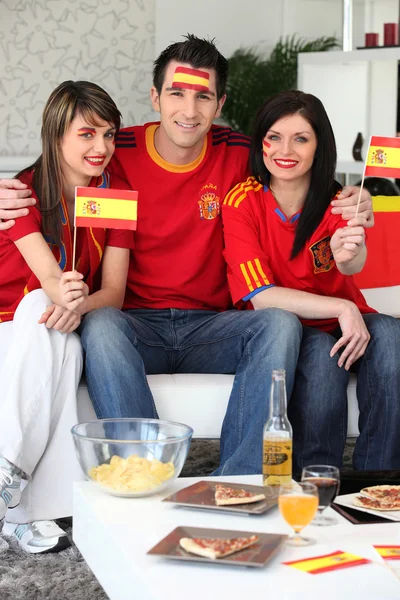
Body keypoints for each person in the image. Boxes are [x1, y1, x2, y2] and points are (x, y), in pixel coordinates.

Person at [0, 36, 373, 477]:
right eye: (176, 93)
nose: (189, 110)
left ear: (220, 103)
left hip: (215, 325)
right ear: (156, 96)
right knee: (100, 324)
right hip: (135, 324)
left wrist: (352, 199)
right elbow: (54, 167)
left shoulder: (240, 153)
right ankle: (146, 473)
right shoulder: (115, 151)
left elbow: (297, 166)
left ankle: (241, 480)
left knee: (278, 322)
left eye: (203, 96)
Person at [222, 89, 400, 472]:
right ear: (261, 143)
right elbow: (260, 297)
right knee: (321, 359)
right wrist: (342, 307)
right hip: (290, 329)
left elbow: (352, 266)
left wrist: (350, 252)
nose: (285, 149)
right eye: (274, 136)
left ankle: (379, 482)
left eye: (301, 138)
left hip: (346, 322)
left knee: (391, 334)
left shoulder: (337, 198)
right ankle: (317, 485)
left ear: (319, 146)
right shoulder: (243, 201)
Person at [0, 80, 134, 553]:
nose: (101, 147)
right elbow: (48, 281)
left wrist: (77, 305)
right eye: (87, 134)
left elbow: (112, 293)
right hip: (7, 327)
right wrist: (66, 296)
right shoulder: (19, 194)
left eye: (110, 135)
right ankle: (14, 486)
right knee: (40, 306)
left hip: (56, 326)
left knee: (67, 339)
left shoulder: (116, 194)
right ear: (56, 134)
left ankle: (14, 500)